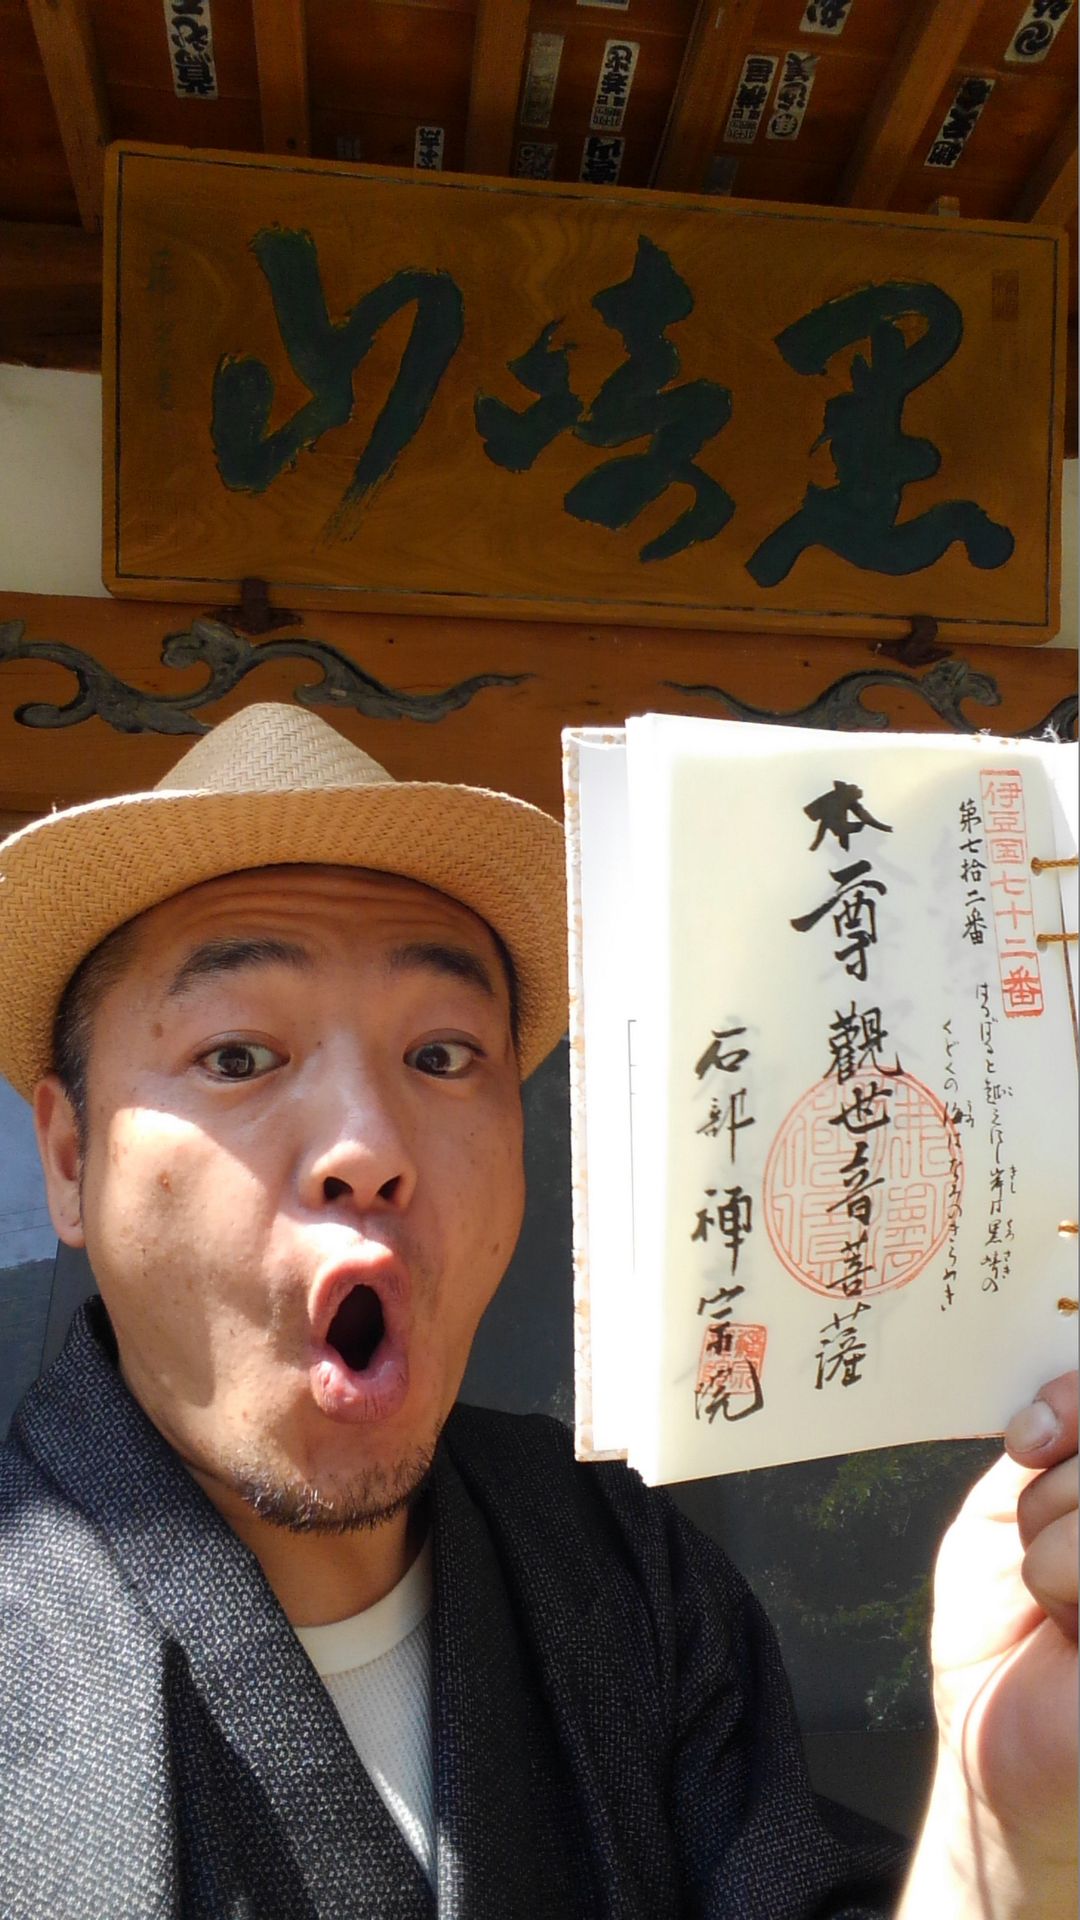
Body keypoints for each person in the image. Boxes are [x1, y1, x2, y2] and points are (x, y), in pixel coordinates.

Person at [0, 700, 1074, 1919]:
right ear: (71, 1158)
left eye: (442, 1056)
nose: (368, 1146)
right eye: (239, 1057)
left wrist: (1008, 1834)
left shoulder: (621, 1573)